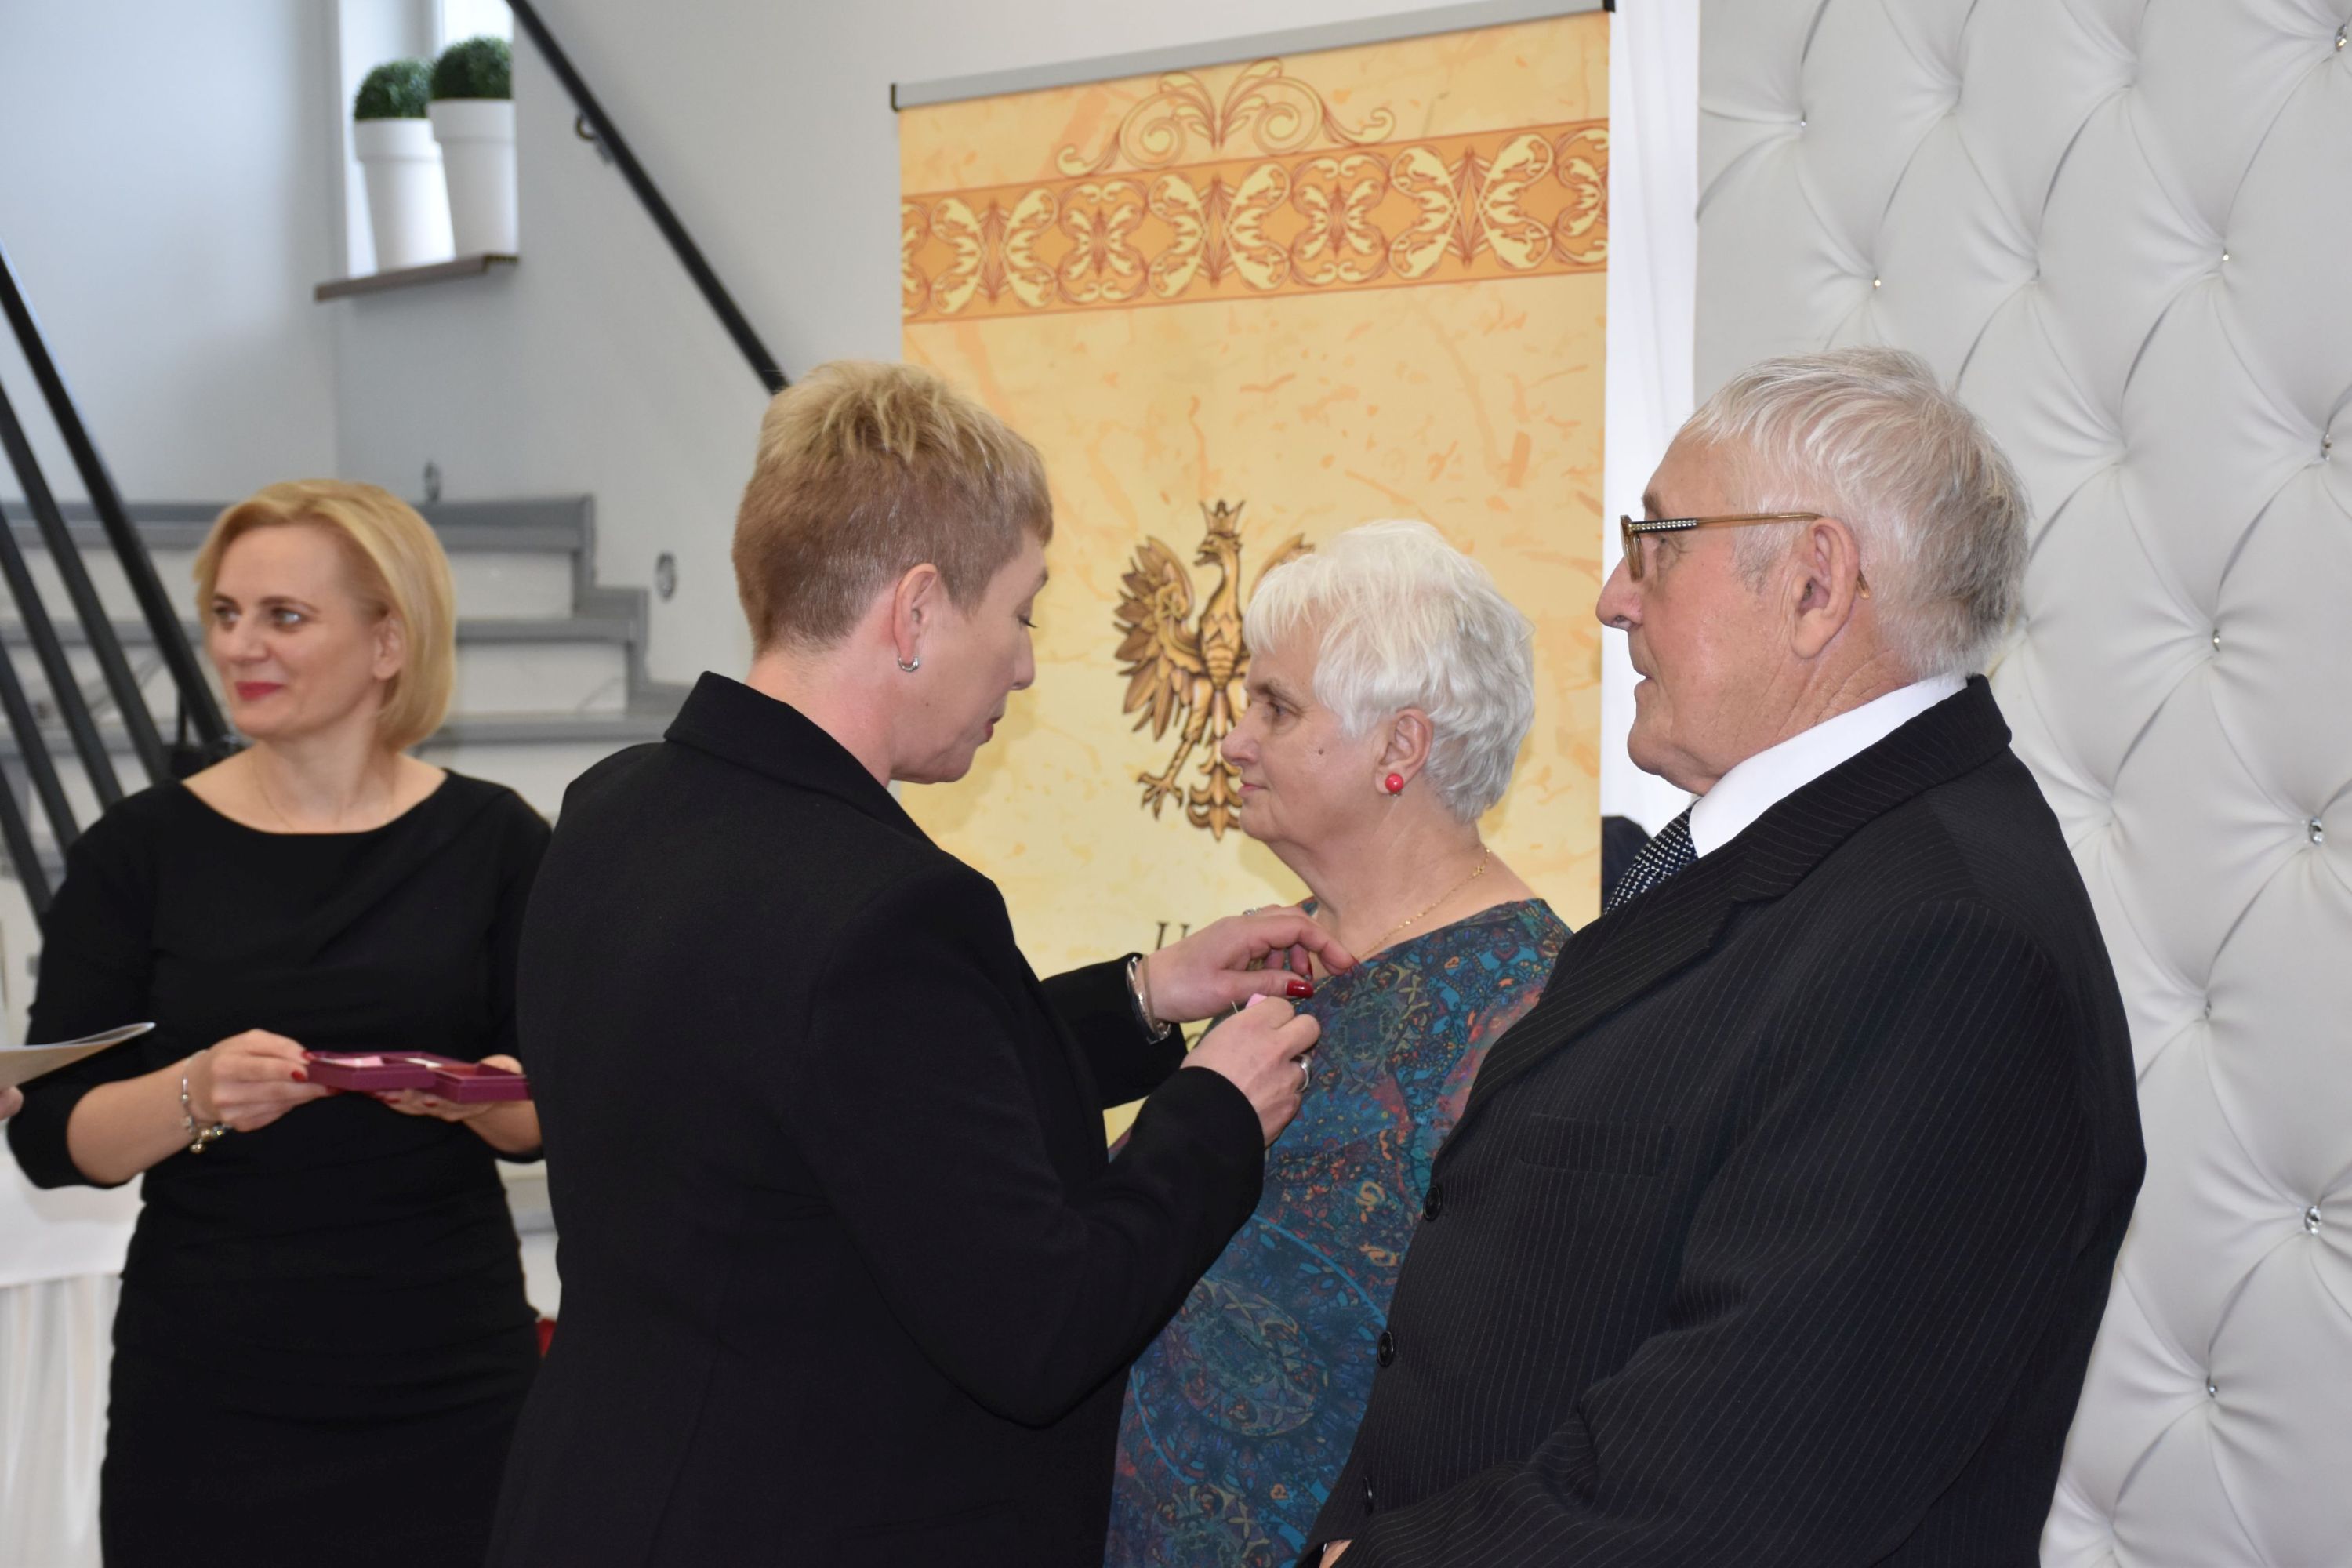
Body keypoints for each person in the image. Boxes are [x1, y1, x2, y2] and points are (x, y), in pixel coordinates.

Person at [487, 361, 1345, 1568]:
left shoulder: (615, 808)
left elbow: (821, 1090)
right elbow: (1041, 1327)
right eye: (1023, 612)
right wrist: (1214, 1112)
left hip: (597, 1496)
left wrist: (1142, 999)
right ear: (918, 611)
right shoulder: (886, 911)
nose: (1027, 664)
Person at [1304, 348, 2144, 1565]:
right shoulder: (1804, 863)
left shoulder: (1949, 943)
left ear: (1814, 585)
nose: (1613, 598)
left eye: (1655, 543)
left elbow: (1736, 1487)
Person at [5, 481, 550, 1567]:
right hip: (210, 1387)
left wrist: (471, 1097)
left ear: (389, 641)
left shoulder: (496, 840)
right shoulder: (139, 851)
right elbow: (52, 1139)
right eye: (225, 613)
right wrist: (196, 1093)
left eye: (284, 616)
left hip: (448, 1371)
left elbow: (557, 1110)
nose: (240, 645)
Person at [1104, 520, 1568, 1567]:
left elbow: (1539, 1372)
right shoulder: (1282, 961)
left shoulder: (1540, 1006)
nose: (1234, 740)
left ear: (1401, 748)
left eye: (1275, 707)